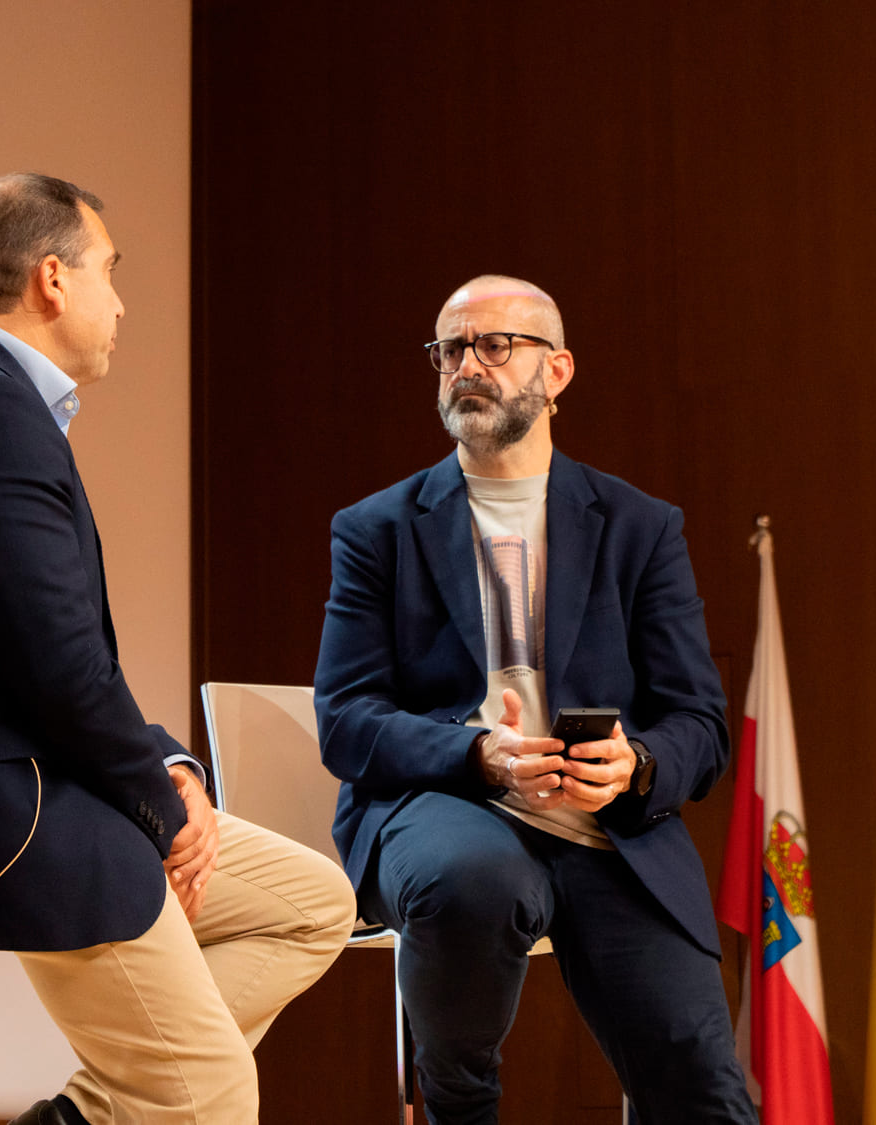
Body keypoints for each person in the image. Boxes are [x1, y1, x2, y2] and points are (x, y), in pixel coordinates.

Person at [0, 173, 355, 1125]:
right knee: (212, 1093)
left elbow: (42, 660)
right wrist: (161, 802)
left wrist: (170, 769)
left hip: (32, 779)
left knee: (312, 903)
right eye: (111, 270)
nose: (121, 301)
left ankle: (86, 1114)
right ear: (53, 280)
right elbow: (59, 669)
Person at [313, 275, 756, 1124]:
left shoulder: (639, 525)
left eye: (493, 345)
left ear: (557, 372)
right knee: (475, 876)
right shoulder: (377, 529)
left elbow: (699, 721)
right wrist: (477, 755)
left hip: (605, 829)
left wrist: (635, 765)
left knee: (702, 1086)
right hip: (446, 806)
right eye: (450, 349)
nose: (466, 366)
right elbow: (345, 719)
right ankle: (455, 1104)